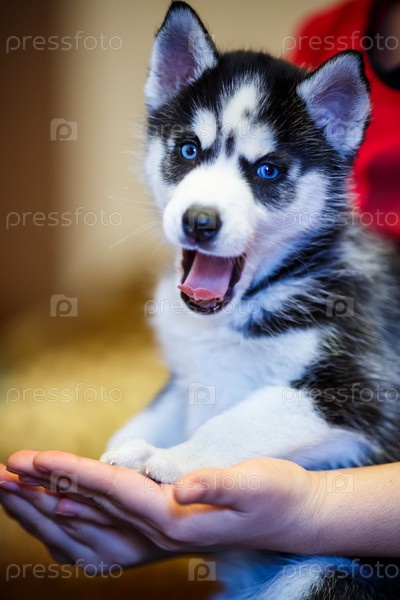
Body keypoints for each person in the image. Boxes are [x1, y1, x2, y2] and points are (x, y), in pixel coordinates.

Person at [1, 0, 400, 568]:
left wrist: (202, 461)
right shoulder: (333, 29)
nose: (206, 207)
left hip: (346, 565)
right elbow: (192, 387)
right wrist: (113, 485)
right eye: (189, 150)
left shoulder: (337, 295)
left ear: (340, 125)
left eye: (267, 170)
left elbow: (348, 408)